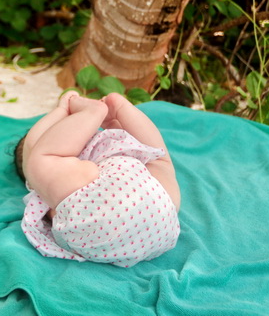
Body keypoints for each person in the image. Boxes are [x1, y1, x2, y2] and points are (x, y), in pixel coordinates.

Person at [14, 91, 180, 267]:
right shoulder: (39, 183)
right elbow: (33, 145)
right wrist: (62, 109)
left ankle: (109, 110)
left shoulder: (80, 175)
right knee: (161, 161)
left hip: (97, 240)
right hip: (163, 222)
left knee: (41, 160)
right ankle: (115, 109)